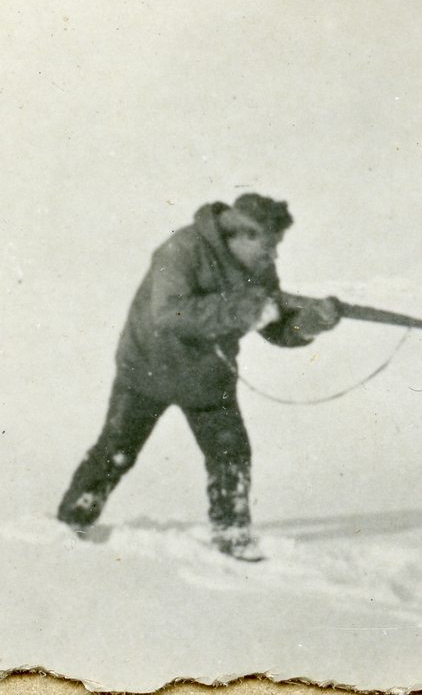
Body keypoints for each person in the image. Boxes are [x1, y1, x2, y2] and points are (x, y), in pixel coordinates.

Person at [57, 194, 340, 561]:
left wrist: (311, 322)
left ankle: (232, 534)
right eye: (269, 246)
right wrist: (244, 308)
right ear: (241, 235)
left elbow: (274, 326)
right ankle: (69, 525)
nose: (273, 256)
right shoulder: (180, 250)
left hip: (209, 379)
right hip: (148, 369)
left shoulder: (259, 267)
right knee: (116, 450)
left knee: (231, 456)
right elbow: (170, 312)